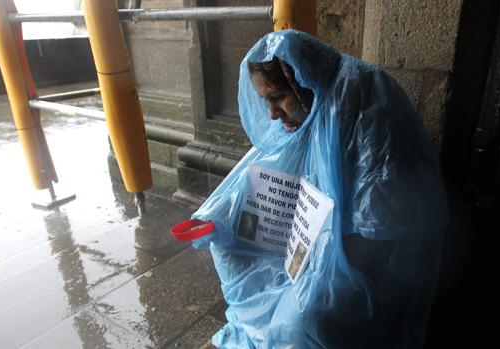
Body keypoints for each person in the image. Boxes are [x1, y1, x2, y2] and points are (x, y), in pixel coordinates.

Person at [191, 30, 448, 348]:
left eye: (276, 97)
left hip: (366, 261)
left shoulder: (368, 106)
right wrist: (221, 216)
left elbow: (383, 228)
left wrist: (320, 258)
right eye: (265, 101)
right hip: (311, 241)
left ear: (301, 80)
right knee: (228, 247)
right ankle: (259, 333)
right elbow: (265, 171)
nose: (272, 114)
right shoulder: (303, 111)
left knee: (300, 320)